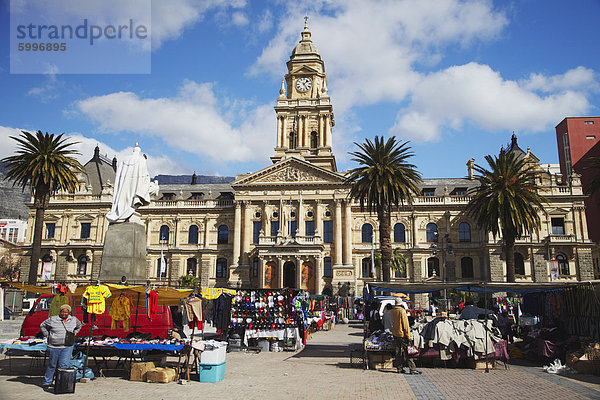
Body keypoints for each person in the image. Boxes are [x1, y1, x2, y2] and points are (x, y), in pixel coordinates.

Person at [106, 144, 159, 224]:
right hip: (135, 183)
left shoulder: (123, 160)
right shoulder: (141, 160)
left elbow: (119, 175)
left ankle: (122, 210)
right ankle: (125, 210)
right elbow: (144, 175)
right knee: (131, 196)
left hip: (125, 183)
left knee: (125, 196)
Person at [40, 304, 83, 389]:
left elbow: (79, 326)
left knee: (64, 366)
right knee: (52, 365)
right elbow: (42, 325)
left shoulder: (73, 319)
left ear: (69, 312)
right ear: (60, 312)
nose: (64, 313)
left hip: (67, 347)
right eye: (62, 311)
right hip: (54, 346)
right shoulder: (53, 319)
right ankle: (47, 382)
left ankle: (60, 383)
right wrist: (47, 335)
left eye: (66, 312)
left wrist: (74, 333)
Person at [390, 298, 420, 374]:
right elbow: (405, 325)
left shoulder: (392, 311)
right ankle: (412, 369)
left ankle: (399, 368)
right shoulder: (402, 311)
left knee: (397, 352)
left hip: (395, 333)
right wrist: (408, 336)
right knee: (408, 352)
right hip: (402, 334)